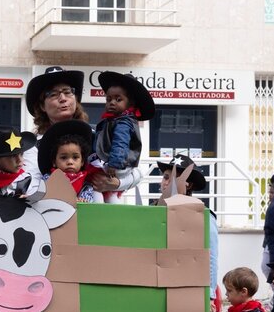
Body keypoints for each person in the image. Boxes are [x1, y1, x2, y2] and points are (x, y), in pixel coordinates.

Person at [158, 155, 219, 295]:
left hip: (187, 286)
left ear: (188, 185)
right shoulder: (154, 211)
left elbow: (211, 257)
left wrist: (209, 294)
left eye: (173, 179)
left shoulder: (203, 215)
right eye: (165, 177)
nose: (166, 182)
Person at [93, 71, 155, 203]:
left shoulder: (123, 123)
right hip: (118, 165)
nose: (112, 103)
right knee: (112, 196)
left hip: (117, 166)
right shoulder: (114, 121)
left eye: (118, 99)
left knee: (96, 187)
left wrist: (114, 164)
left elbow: (120, 143)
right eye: (108, 99)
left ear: (130, 104)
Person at [34, 119, 102, 203]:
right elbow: (40, 195)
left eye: (75, 157)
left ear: (82, 162)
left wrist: (83, 201)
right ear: (54, 162)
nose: (70, 162)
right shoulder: (48, 179)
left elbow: (88, 200)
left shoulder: (86, 185)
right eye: (63, 158)